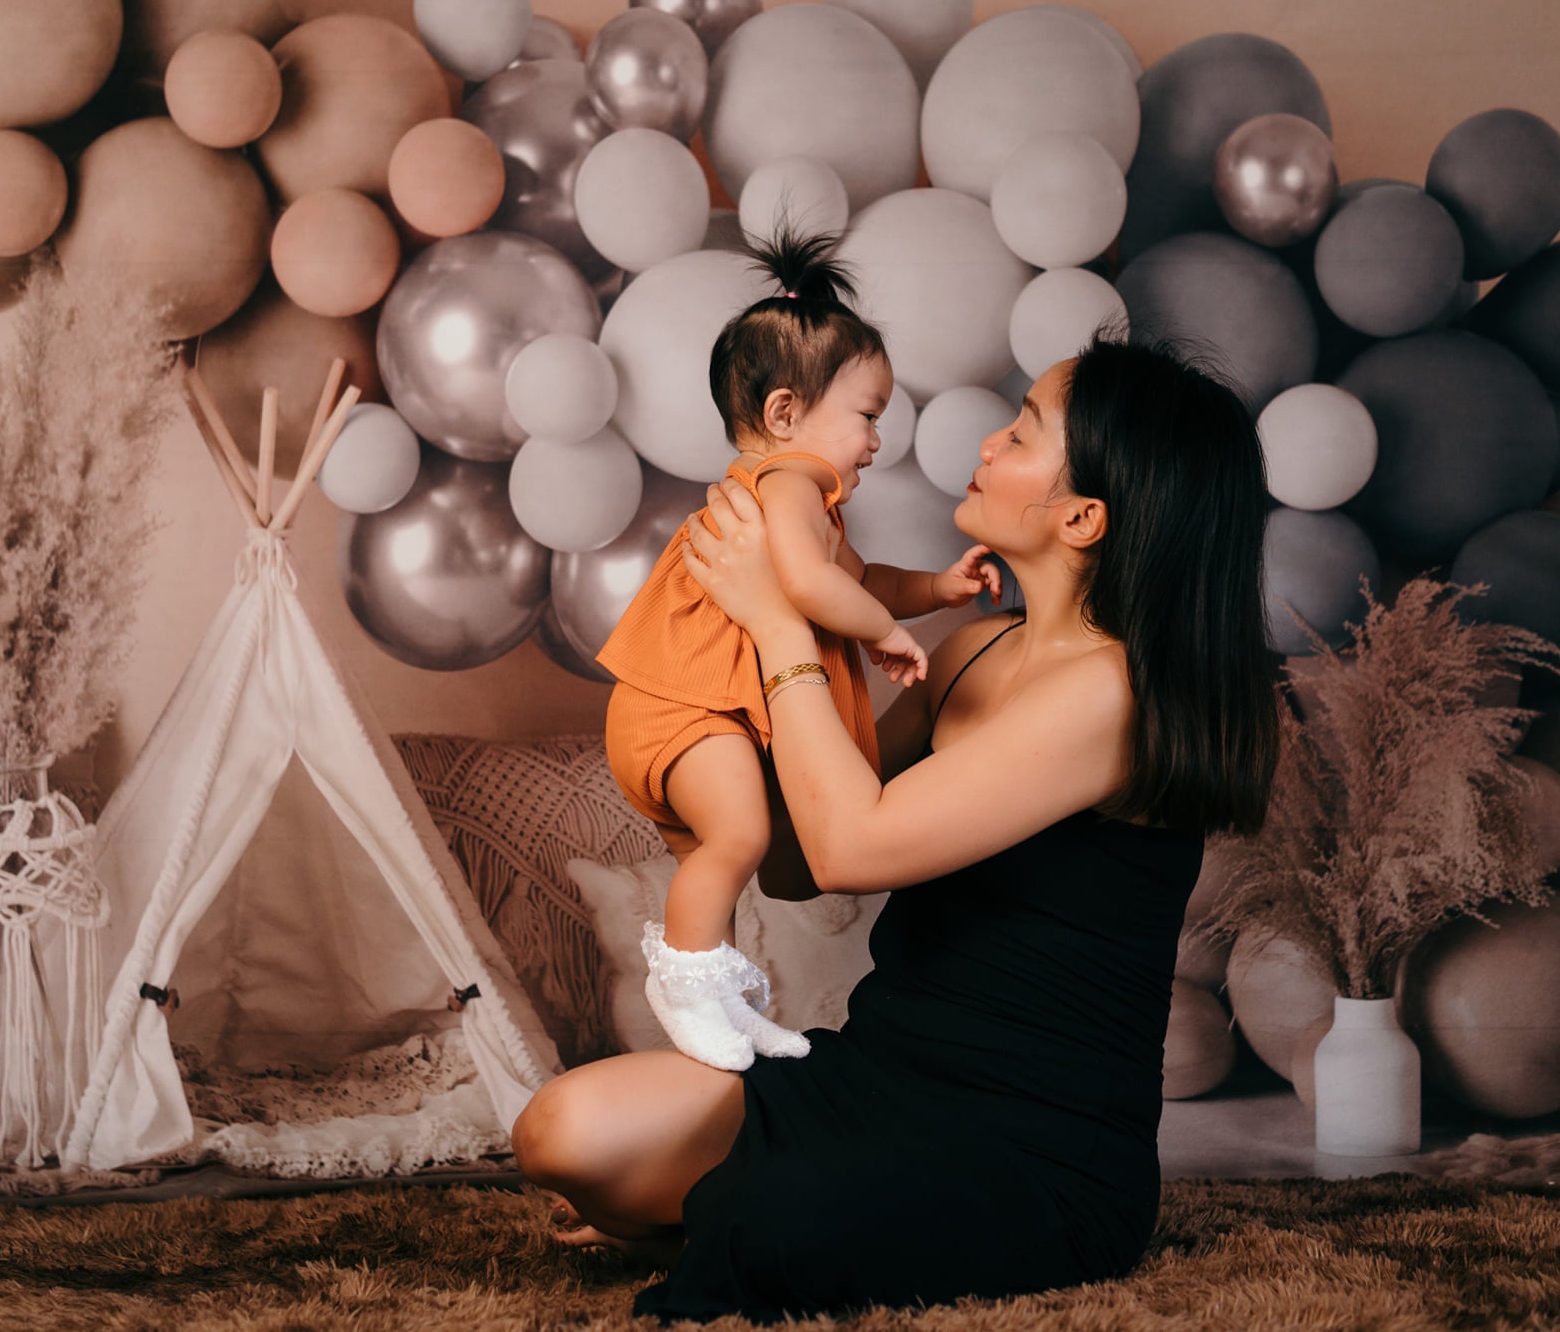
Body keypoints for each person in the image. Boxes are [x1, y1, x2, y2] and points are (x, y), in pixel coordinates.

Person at [514, 331, 1281, 1322]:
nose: (989, 442)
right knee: (561, 1131)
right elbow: (797, 865)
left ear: (1082, 515)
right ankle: (727, 1207)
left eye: (1022, 433)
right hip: (878, 1072)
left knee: (761, 1219)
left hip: (1033, 1146)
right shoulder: (966, 650)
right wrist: (694, 746)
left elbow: (852, 846)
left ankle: (726, 1214)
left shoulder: (1111, 692)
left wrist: (779, 620)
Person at [594, 228, 1000, 1073]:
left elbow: (861, 575)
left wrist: (935, 590)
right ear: (785, 414)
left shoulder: (807, 503)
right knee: (738, 835)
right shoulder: (786, 483)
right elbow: (816, 588)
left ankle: (726, 1008)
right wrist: (885, 633)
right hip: (686, 709)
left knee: (723, 865)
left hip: (700, 716)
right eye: (867, 416)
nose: (876, 441)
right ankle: (682, 986)